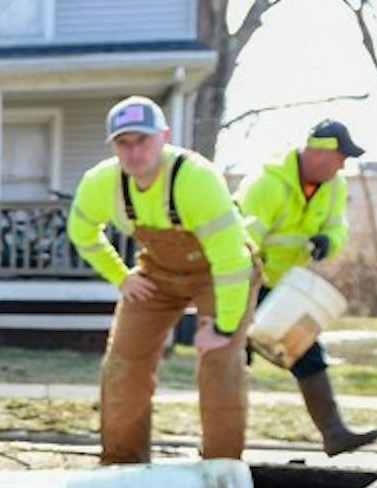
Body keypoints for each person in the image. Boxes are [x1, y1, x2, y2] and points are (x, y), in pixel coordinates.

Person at [68, 96, 259, 465]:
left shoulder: (197, 179)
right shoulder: (100, 183)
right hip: (157, 273)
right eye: (123, 143)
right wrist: (121, 277)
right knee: (123, 364)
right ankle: (122, 465)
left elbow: (232, 262)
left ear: (164, 137)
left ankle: (221, 469)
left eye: (143, 140)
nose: (134, 152)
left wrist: (222, 327)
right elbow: (82, 233)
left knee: (219, 362)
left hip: (220, 274)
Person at [238, 120, 377, 455]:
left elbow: (338, 227)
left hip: (287, 286)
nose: (342, 166)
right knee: (234, 360)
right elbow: (241, 241)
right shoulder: (267, 184)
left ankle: (334, 433)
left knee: (306, 350)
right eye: (340, 158)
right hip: (244, 281)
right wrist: (244, 291)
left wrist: (327, 241)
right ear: (317, 153)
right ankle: (220, 443)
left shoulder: (334, 186)